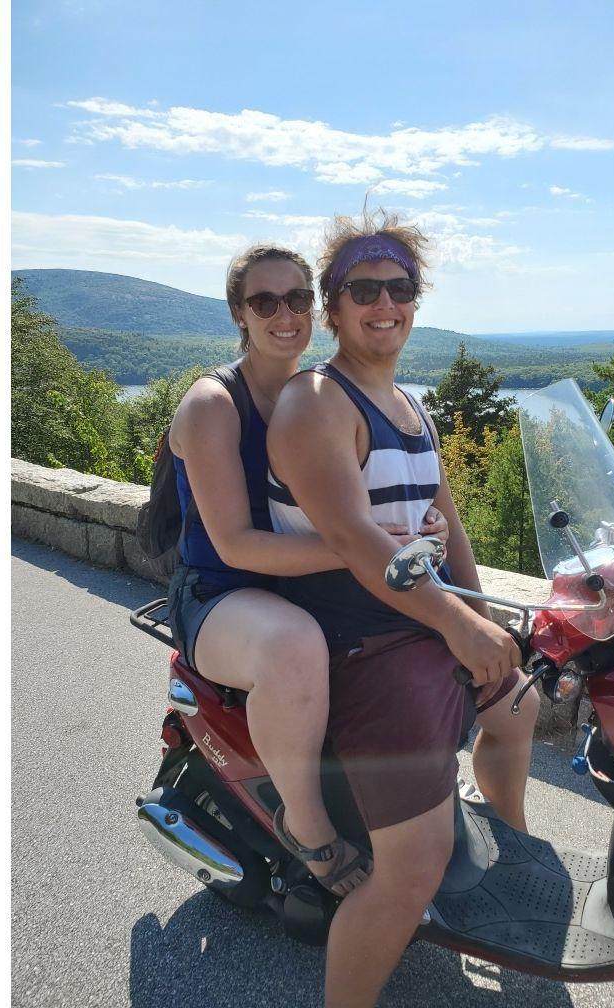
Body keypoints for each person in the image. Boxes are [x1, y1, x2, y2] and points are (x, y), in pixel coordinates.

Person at [267, 213, 540, 1007]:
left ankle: (510, 857)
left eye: (401, 288)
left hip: (414, 617)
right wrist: (457, 624)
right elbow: (353, 539)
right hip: (361, 637)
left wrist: (488, 609)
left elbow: (444, 520)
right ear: (334, 304)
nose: (385, 303)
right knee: (409, 868)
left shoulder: (407, 402)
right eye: (365, 290)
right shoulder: (317, 401)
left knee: (516, 704)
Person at [166, 243, 450, 897]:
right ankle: (311, 828)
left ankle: (407, 798)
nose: (285, 313)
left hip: (302, 582)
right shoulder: (215, 405)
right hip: (223, 593)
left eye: (298, 298)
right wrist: (372, 548)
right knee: (295, 646)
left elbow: (366, 505)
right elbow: (234, 545)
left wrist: (418, 527)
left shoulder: (318, 394)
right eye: (265, 301)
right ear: (240, 312)